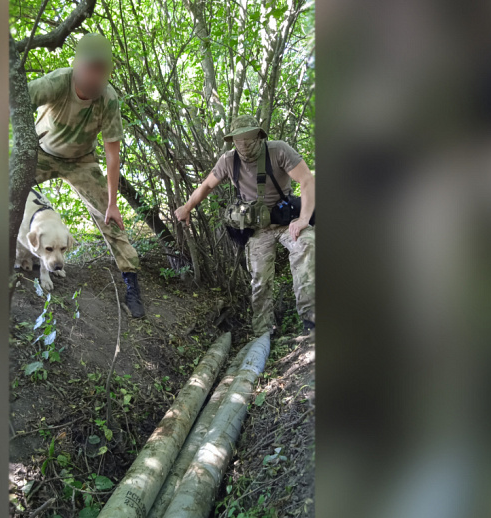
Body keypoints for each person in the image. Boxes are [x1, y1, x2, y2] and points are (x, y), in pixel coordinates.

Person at [28, 33, 145, 318]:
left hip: (81, 161)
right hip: (42, 153)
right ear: (77, 64)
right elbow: (13, 101)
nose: (95, 77)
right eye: (90, 68)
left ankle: (131, 282)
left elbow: (112, 154)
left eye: (102, 70)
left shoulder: (108, 99)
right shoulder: (57, 82)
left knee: (110, 218)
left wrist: (112, 203)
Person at [175, 114, 316, 336]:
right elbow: (206, 186)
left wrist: (304, 219)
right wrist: (187, 207)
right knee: (259, 279)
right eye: (238, 140)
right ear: (232, 140)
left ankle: (311, 322)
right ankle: (263, 333)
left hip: (286, 221)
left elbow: (307, 179)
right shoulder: (228, 160)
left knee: (307, 246)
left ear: (259, 136)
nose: (243, 144)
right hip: (258, 229)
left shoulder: (278, 150)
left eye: (248, 138)